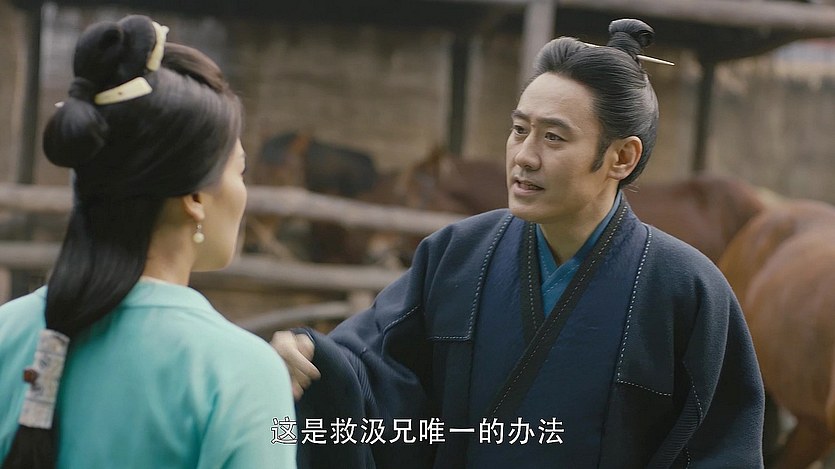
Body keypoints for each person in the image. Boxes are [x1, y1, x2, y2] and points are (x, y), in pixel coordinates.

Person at [274, 18, 766, 469]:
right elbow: (371, 369)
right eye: (519, 130)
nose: (524, 156)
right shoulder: (457, 255)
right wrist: (310, 357)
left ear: (621, 157)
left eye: (553, 138)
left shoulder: (687, 289)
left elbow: (721, 450)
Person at [0, 15, 296, 469]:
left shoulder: (7, 332)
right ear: (195, 199)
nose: (244, 192)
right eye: (239, 171)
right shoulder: (240, 372)